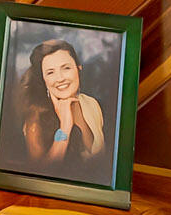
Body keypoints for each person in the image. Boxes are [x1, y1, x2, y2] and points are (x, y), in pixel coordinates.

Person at [13, 39, 107, 175]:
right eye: (50, 72)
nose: (60, 78)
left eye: (66, 68)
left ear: (78, 68)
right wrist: (65, 127)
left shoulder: (91, 103)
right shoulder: (35, 119)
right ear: (44, 79)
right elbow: (40, 174)